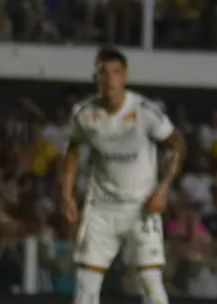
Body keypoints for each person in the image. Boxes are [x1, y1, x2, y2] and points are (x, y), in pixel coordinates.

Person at [61, 47, 188, 304]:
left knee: (151, 284)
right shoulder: (84, 113)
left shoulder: (145, 111)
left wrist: (163, 189)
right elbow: (72, 151)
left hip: (141, 207)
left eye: (116, 72)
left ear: (125, 76)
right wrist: (66, 194)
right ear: (95, 77)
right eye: (104, 73)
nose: (110, 79)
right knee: (85, 288)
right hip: (101, 208)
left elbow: (178, 146)